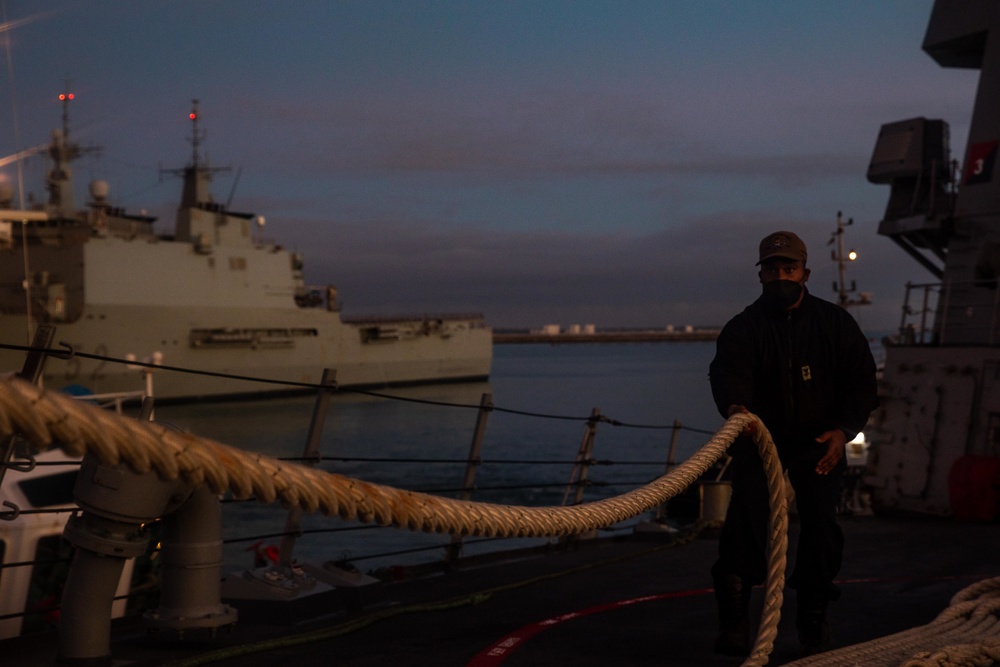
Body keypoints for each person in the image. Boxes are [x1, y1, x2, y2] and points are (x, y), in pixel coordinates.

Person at [708, 230, 878, 657]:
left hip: (821, 442)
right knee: (746, 520)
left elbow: (860, 383)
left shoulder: (835, 325)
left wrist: (842, 431)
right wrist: (736, 411)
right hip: (757, 438)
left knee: (822, 524)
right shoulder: (743, 329)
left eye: (789, 268)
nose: (781, 276)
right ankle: (733, 621)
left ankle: (813, 618)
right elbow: (729, 376)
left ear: (805, 272)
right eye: (772, 269)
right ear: (760, 274)